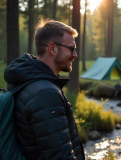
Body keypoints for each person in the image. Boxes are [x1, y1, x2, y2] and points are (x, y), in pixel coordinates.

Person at [4, 19, 85, 160]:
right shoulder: (46, 94)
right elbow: (60, 155)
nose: (75, 55)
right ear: (52, 48)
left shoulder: (26, 80)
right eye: (71, 49)